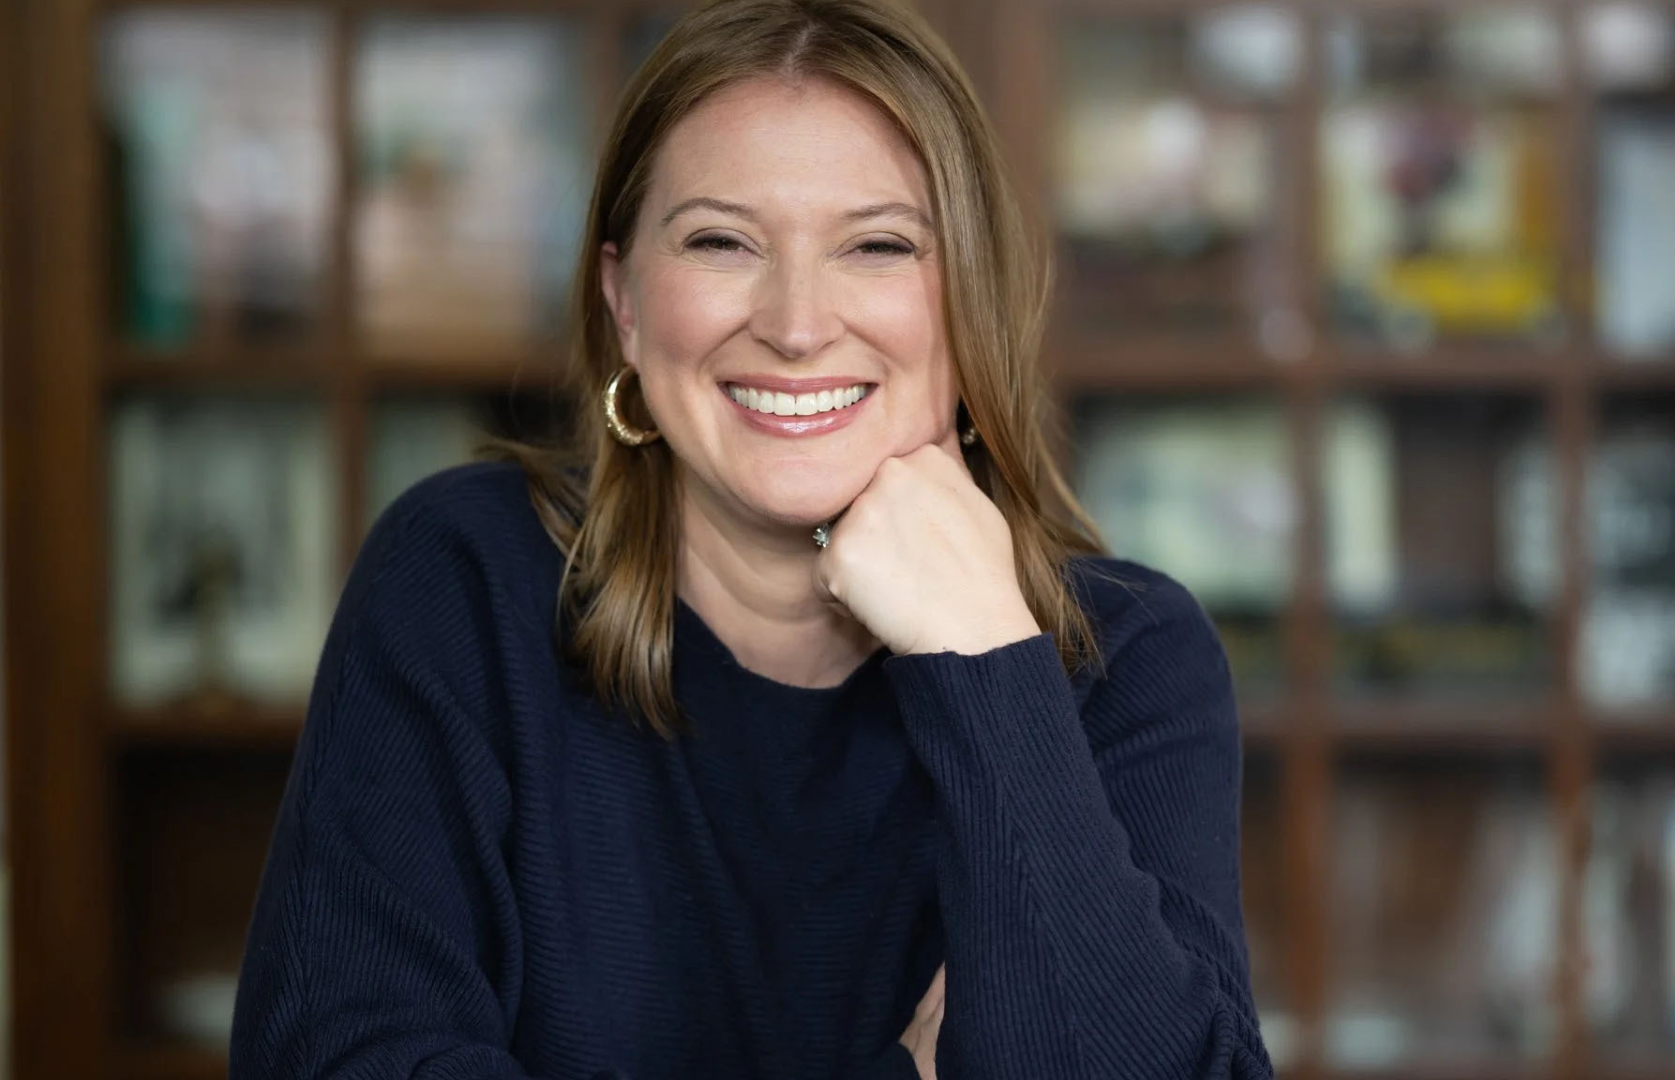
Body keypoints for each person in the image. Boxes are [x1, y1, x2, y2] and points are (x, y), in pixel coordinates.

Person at [229, 1, 1273, 1077]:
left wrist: (986, 661)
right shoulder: (461, 580)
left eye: (878, 245)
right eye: (723, 241)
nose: (796, 323)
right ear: (624, 298)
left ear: (969, 300)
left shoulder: (1127, 657)